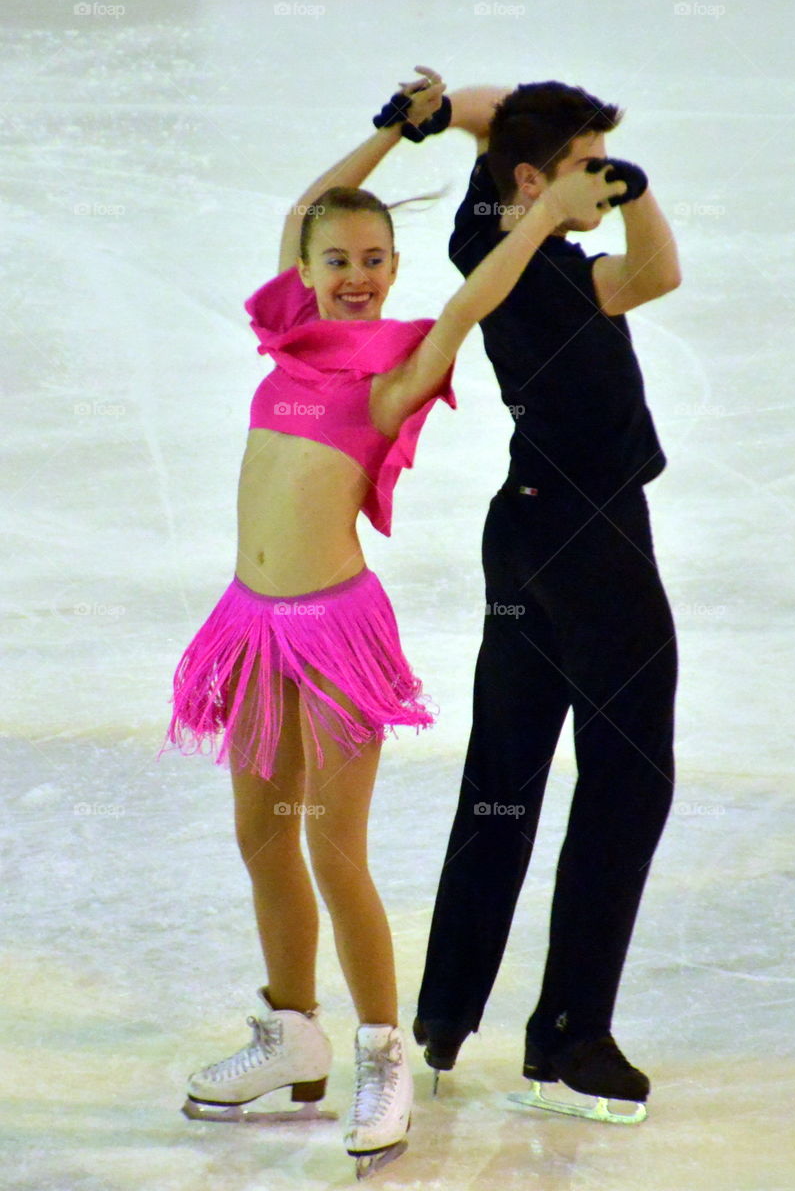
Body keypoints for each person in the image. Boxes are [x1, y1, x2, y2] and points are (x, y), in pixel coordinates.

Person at [158, 66, 624, 1173]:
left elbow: (469, 304)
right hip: (248, 626)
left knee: (334, 844)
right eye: (339, 260)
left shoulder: (390, 366)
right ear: (310, 270)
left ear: (392, 271)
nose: (358, 277)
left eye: (375, 261)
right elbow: (297, 213)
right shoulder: (288, 337)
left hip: (330, 635)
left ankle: (380, 1056)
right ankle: (292, 1033)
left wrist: (548, 215)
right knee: (260, 833)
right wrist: (383, 139)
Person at [414, 80, 682, 1125]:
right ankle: (570, 1031)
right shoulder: (520, 267)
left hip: (526, 534)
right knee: (628, 777)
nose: (604, 182)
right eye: (589, 164)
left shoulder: (521, 250)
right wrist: (541, 181)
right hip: (593, 547)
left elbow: (651, 268)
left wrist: (453, 117)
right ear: (534, 179)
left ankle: (446, 1005)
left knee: (505, 775)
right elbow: (638, 276)